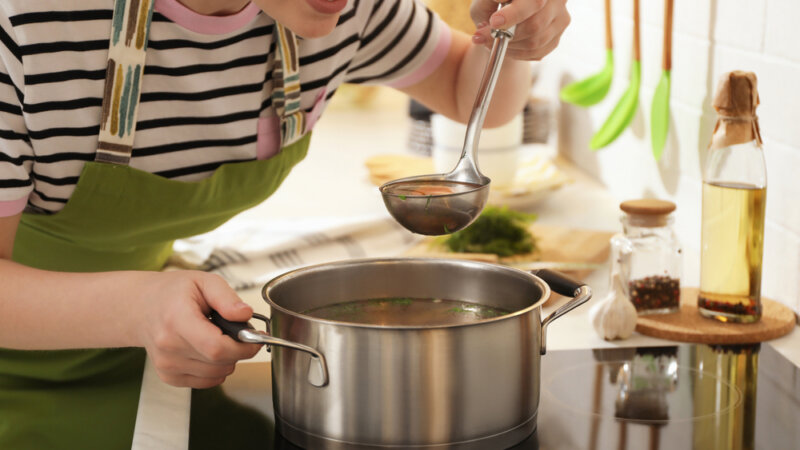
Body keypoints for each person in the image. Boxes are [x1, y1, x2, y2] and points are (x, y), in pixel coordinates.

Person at [0, 0, 569, 447]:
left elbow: (472, 97)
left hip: (155, 350)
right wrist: (140, 307)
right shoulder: (28, 25)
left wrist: (511, 40)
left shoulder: (343, 12)